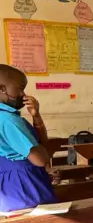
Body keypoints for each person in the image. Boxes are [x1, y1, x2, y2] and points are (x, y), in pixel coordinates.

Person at [0, 65, 56, 213]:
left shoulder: (8, 117)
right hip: (24, 186)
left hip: (11, 187)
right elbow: (41, 157)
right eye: (20, 88)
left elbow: (42, 145)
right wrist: (47, 164)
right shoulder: (7, 120)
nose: (23, 94)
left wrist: (36, 115)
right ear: (2, 89)